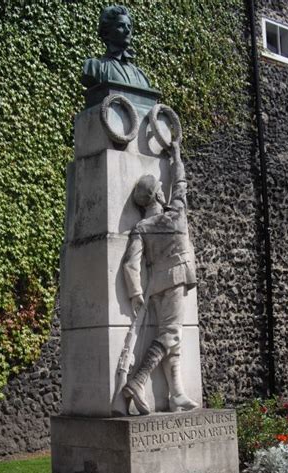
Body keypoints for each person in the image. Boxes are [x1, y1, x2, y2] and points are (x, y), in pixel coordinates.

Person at [122, 140, 199, 414]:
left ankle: (176, 393)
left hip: (155, 285)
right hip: (177, 278)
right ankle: (138, 380)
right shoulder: (176, 212)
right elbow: (181, 182)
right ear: (157, 196)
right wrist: (176, 154)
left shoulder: (141, 226)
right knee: (170, 334)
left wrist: (135, 293)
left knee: (172, 336)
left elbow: (131, 263)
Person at [82, 5, 151, 89]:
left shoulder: (141, 75)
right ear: (106, 33)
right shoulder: (94, 67)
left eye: (129, 26)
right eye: (121, 26)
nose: (127, 30)